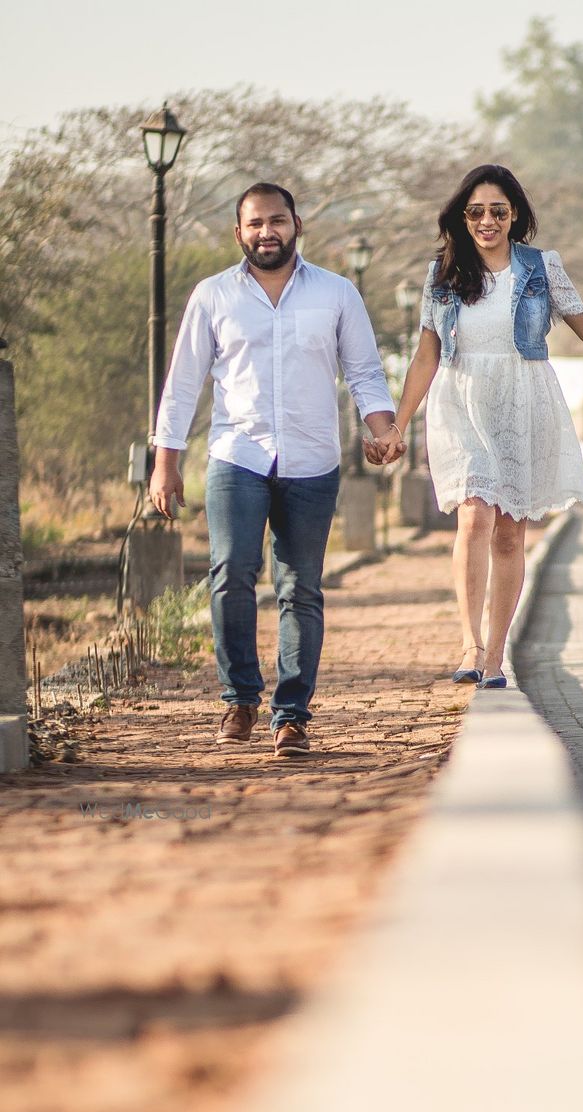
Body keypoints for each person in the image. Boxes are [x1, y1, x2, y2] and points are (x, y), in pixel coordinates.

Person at [367, 164, 583, 688]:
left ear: (515, 215)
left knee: (510, 533)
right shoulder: (442, 272)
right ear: (462, 217)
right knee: (474, 516)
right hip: (460, 400)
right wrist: (397, 424)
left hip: (523, 399)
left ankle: (494, 657)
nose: (487, 221)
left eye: (498, 211)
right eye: (477, 211)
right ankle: (469, 643)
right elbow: (425, 355)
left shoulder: (541, 267)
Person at [149, 182, 396, 758]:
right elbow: (183, 384)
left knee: (300, 587)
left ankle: (292, 717)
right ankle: (239, 698)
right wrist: (166, 463)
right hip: (237, 455)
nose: (267, 232)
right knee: (232, 572)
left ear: (297, 224)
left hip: (313, 460)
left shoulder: (337, 294)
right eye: (256, 223)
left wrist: (381, 429)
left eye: (277, 221)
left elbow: (364, 372)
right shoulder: (212, 296)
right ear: (239, 233)